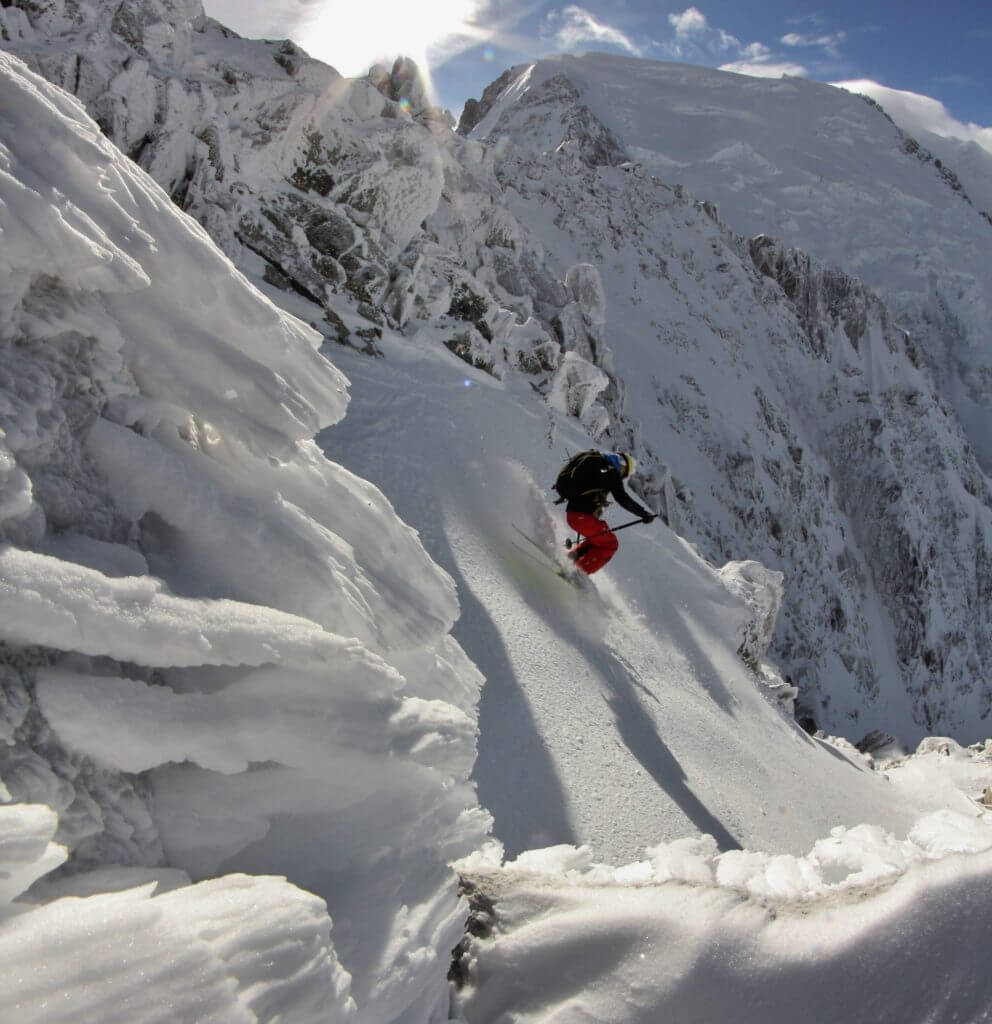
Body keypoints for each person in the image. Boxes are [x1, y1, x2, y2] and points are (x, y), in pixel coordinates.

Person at [554, 450, 655, 574]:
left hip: (574, 516)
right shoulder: (611, 471)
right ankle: (578, 573)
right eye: (624, 473)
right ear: (622, 466)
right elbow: (622, 498)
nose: (621, 476)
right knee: (611, 544)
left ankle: (571, 559)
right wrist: (643, 513)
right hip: (582, 518)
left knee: (599, 536)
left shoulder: (596, 464)